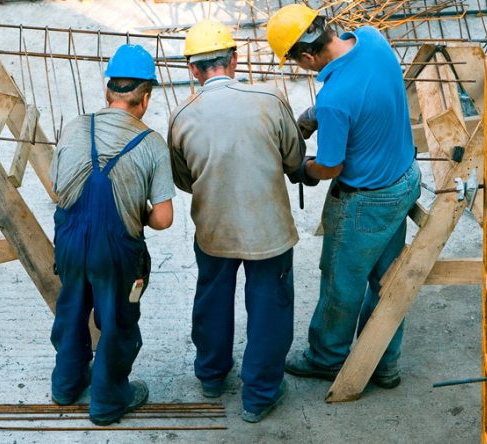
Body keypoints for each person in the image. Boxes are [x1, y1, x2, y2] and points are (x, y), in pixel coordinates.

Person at [267, 4, 422, 389]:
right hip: (403, 180)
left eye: (297, 63)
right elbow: (364, 87)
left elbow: (330, 168)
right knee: (388, 281)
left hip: (365, 204)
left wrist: (302, 170)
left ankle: (326, 357)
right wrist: (314, 113)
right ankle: (385, 364)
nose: (300, 68)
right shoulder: (372, 38)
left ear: (305, 56)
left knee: (341, 281)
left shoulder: (336, 99)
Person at [167, 19, 308, 423]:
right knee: (269, 307)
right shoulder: (270, 99)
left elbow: (184, 180)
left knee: (212, 299)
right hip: (270, 230)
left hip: (214, 228)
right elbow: (294, 161)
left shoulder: (182, 115)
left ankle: (212, 376)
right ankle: (259, 396)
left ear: (193, 69)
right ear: (235, 58)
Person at [49, 44, 175, 426]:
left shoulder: (74, 127)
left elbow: (58, 186)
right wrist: (139, 211)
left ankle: (65, 386)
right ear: (146, 98)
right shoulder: (151, 143)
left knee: (71, 310)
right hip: (117, 252)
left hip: (70, 242)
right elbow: (165, 219)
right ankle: (107, 400)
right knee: (118, 321)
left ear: (107, 92)